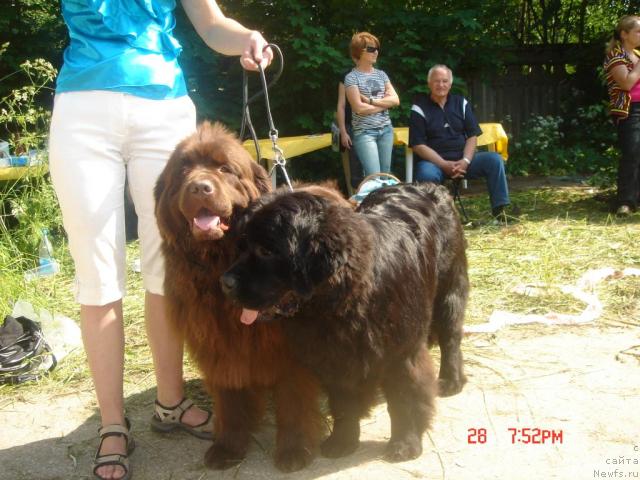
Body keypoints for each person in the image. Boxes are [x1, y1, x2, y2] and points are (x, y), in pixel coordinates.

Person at [48, 2, 272, 480]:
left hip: (163, 108)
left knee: (168, 267)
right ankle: (112, 424)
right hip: (83, 108)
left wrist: (247, 38)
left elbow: (212, 25)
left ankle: (170, 402)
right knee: (97, 275)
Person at [409, 64, 512, 221]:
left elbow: (472, 136)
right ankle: (432, 221)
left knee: (494, 160)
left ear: (450, 84)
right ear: (429, 83)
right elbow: (418, 145)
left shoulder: (461, 103)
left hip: (463, 161)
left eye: (445, 81)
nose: (441, 85)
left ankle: (500, 211)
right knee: (425, 173)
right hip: (435, 163)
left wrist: (465, 161)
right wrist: (444, 164)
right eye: (436, 81)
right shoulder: (419, 107)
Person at [344, 32, 400, 176]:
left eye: (376, 49)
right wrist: (385, 104)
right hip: (365, 133)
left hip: (386, 130)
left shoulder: (382, 75)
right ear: (359, 52)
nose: (375, 52)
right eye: (371, 49)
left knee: (385, 175)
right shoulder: (351, 78)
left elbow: (396, 100)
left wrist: (371, 101)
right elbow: (358, 108)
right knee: (374, 177)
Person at [604, 15, 640, 217]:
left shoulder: (636, 54)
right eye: (638, 31)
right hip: (629, 110)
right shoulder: (615, 56)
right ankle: (625, 202)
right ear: (624, 34)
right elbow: (626, 83)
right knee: (632, 153)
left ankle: (636, 198)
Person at [336, 73, 364, 191]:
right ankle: (356, 198)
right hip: (350, 126)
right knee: (355, 169)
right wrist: (343, 132)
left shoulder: (377, 74)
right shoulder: (346, 76)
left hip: (371, 126)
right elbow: (341, 105)